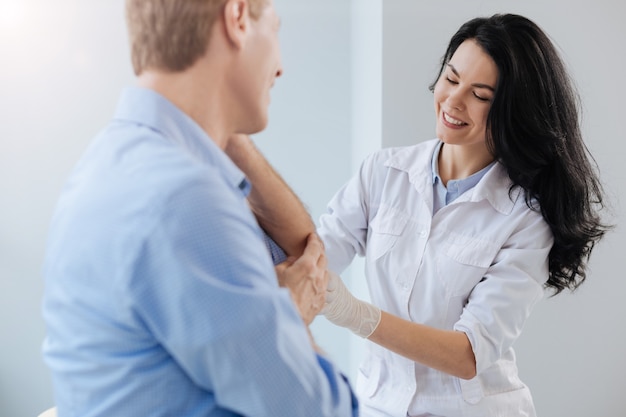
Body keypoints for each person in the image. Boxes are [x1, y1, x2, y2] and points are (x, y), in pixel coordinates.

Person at [233, 13, 611, 417]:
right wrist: (231, 145)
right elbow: (313, 252)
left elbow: (469, 353)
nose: (453, 101)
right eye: (451, 78)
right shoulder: (383, 173)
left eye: (480, 95)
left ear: (512, 112)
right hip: (380, 405)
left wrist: (356, 314)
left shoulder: (524, 218)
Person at [41, 0, 357, 416]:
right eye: (275, 29)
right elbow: (323, 410)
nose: (280, 66)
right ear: (238, 18)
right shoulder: (186, 202)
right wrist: (289, 316)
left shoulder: (102, 167)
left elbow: (299, 251)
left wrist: (219, 125)